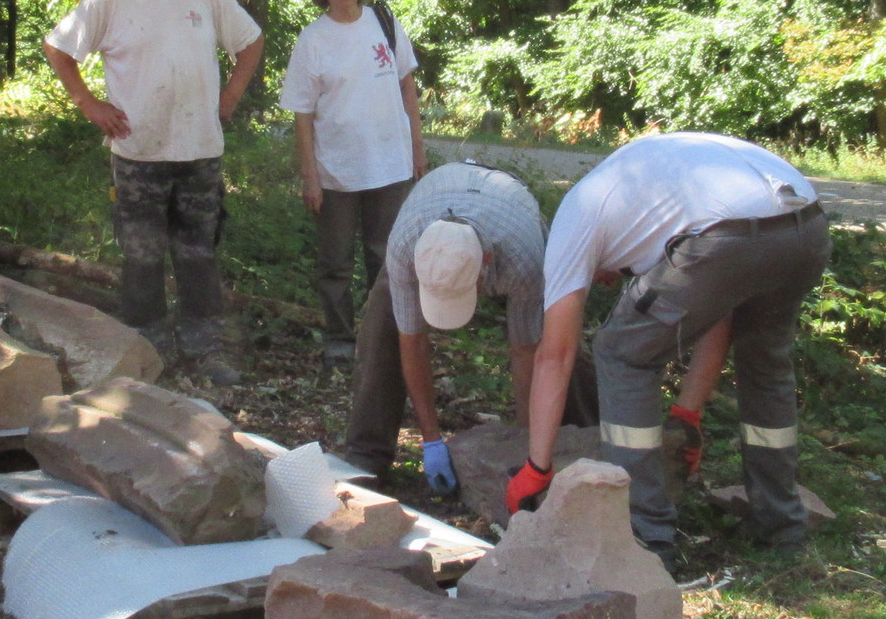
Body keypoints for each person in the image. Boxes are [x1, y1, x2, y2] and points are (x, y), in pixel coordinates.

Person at [509, 131, 828, 558]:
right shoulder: (648, 192)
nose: (607, 283)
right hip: (805, 226)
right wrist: (686, 416)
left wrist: (537, 467)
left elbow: (556, 355)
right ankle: (781, 526)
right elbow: (719, 313)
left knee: (622, 352)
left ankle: (647, 535)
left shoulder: (577, 216)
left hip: (727, 235)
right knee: (765, 366)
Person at [42, 0, 263, 385]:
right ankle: (145, 350)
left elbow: (250, 41)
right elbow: (58, 47)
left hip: (199, 149)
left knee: (198, 253)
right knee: (141, 256)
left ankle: (203, 348)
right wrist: (88, 103)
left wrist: (230, 96)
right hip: (137, 151)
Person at [337, 158, 584, 487]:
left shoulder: (524, 258)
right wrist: (431, 440)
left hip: (509, 208)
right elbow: (413, 342)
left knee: (554, 334)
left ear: (486, 263)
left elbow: (525, 352)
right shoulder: (405, 247)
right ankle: (366, 455)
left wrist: (525, 450)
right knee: (383, 319)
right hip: (438, 191)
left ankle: (584, 438)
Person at [282, 0, 425, 359]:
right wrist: (310, 176)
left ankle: (385, 344)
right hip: (337, 172)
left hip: (390, 165)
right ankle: (340, 342)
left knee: (387, 262)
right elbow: (302, 114)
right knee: (336, 265)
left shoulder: (384, 22)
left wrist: (417, 149)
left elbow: (408, 87)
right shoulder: (313, 39)